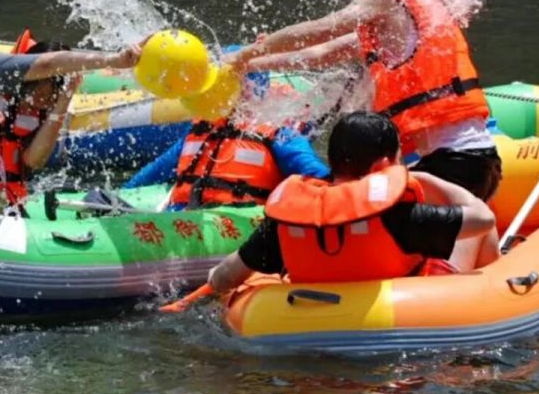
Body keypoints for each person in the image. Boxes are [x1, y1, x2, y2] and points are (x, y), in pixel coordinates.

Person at [227, 0, 502, 202]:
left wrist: (246, 53)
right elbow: (319, 54)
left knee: (347, 213)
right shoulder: (405, 14)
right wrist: (248, 64)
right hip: (478, 164)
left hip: (453, 168)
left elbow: (322, 30)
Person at [207, 112, 498, 296]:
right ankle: (493, 288)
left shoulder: (289, 218)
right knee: (477, 231)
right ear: (385, 164)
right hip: (401, 325)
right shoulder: (399, 216)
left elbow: (224, 278)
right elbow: (484, 219)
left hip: (306, 327)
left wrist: (216, 281)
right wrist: (426, 178)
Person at [0, 34, 140, 212]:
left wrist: (64, 99)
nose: (46, 98)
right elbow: (48, 64)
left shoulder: (40, 112)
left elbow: (33, 160)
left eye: (56, 91)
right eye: (48, 87)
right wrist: (114, 60)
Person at [123, 72, 328, 209]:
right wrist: (120, 197)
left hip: (239, 222)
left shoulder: (279, 133)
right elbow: (151, 174)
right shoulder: (203, 127)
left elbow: (321, 178)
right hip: (183, 217)